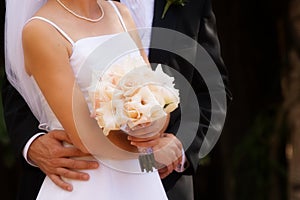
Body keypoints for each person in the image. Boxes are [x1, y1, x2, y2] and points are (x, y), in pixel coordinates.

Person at [2, 1, 231, 200]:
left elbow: (156, 96)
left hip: (144, 183)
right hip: (87, 180)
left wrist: (156, 126)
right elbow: (86, 136)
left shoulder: (119, 13)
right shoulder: (41, 30)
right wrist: (151, 156)